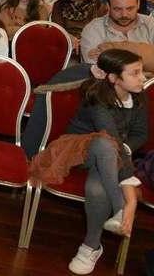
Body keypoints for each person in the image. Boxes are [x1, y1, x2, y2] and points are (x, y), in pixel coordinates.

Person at [60, 49, 147, 274]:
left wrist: (126, 150)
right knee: (103, 144)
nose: (143, 78)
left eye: (141, 72)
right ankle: (121, 208)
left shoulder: (138, 97)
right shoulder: (97, 98)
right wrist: (129, 190)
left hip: (112, 158)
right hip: (79, 152)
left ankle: (91, 245)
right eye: (135, 73)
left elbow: (140, 134)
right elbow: (111, 139)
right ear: (113, 78)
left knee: (98, 186)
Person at [80, 0, 154, 64]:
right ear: (108, 6)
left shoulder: (150, 23)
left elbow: (107, 66)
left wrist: (111, 51)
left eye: (130, 8)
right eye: (117, 9)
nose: (124, 15)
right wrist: (147, 56)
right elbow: (97, 68)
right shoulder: (93, 29)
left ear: (138, 4)